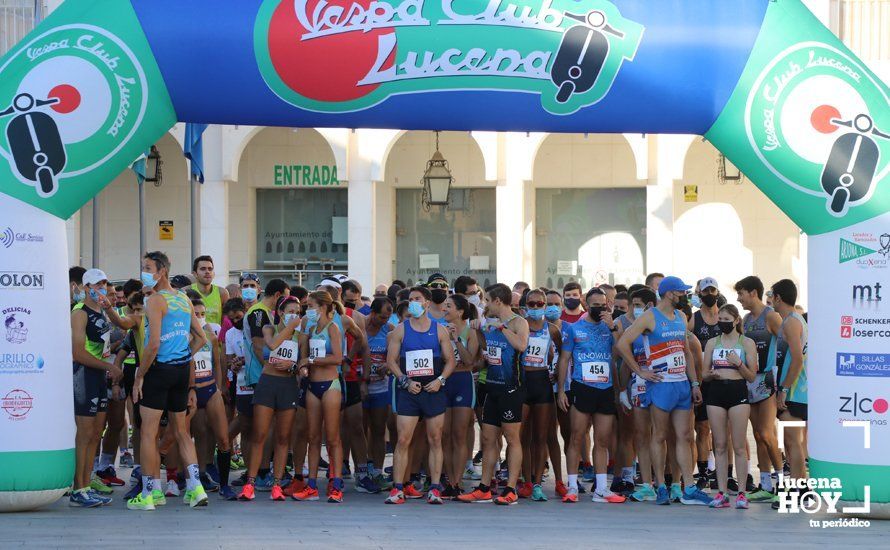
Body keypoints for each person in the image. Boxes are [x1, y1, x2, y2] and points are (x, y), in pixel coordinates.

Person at [617, 276, 711, 506]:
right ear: (670, 294)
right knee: (659, 435)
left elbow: (686, 352)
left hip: (681, 384)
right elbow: (622, 344)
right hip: (660, 384)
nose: (685, 296)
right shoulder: (650, 316)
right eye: (682, 292)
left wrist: (695, 383)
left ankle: (687, 487)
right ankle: (660, 486)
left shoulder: (681, 316)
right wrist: (640, 371)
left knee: (685, 436)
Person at [128, 252, 209, 511]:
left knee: (149, 434)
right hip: (180, 372)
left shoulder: (155, 301)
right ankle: (195, 488)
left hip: (159, 370)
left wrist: (139, 376)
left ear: (161, 271)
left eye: (147, 268)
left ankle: (149, 494)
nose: (144, 272)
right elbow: (201, 338)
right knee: (181, 431)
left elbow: (152, 345)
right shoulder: (183, 299)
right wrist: (183, 357)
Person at [384, 286, 455, 505]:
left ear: (426, 302)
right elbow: (391, 361)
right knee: (403, 439)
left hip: (433, 388)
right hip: (410, 390)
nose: (413, 302)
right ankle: (397, 489)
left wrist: (440, 380)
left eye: (417, 299)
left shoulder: (440, 330)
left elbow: (451, 361)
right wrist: (405, 380)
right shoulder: (400, 330)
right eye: (410, 299)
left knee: (435, 438)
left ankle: (434, 488)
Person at [459, 284, 528, 506]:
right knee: (488, 439)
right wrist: (478, 330)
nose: (485, 305)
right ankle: (484, 488)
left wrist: (502, 329)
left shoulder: (519, 322)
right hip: (490, 386)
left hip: (511, 388)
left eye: (487, 300)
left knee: (511, 438)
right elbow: (485, 352)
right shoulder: (488, 325)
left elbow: (521, 345)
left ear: (499, 301)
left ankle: (510, 489)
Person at [556, 288, 625, 504]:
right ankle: (573, 486)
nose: (599, 309)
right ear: (586, 303)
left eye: (603, 305)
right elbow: (564, 359)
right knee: (577, 437)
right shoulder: (574, 329)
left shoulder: (611, 327)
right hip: (582, 387)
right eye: (595, 305)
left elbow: (622, 351)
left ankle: (602, 488)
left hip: (605, 389)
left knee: (602, 439)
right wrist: (560, 390)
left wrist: (612, 326)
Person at [238, 294, 302, 502]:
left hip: (288, 385)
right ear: (281, 312)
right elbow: (273, 344)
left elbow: (303, 363)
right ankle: (250, 483)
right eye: (291, 311)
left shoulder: (301, 336)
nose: (295, 315)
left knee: (283, 438)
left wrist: (293, 366)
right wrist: (290, 326)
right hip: (268, 382)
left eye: (298, 312)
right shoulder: (268, 328)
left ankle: (277, 484)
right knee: (260, 434)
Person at [70, 268, 122, 507]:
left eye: (104, 284)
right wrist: (108, 367)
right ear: (86, 287)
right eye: (96, 285)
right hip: (84, 374)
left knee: (96, 432)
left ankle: (87, 485)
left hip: (100, 374)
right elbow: (78, 352)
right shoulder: (80, 312)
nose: (101, 289)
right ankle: (77, 488)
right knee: (85, 433)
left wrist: (108, 367)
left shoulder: (101, 310)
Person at [701, 305, 757, 509]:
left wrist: (738, 364)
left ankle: (742, 492)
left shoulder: (746, 343)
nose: (722, 322)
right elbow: (703, 373)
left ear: (735, 321)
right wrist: (711, 375)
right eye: (720, 318)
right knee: (720, 445)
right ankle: (722, 492)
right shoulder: (712, 343)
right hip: (716, 392)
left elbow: (751, 376)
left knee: (739, 445)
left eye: (726, 318)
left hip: (737, 391)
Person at [734, 275, 785, 502]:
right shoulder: (745, 319)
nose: (739, 298)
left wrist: (781, 384)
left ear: (753, 292)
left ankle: (783, 484)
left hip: (767, 380)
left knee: (767, 433)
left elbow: (785, 349)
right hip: (750, 380)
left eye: (741, 293)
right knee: (757, 435)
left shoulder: (771, 316)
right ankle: (765, 484)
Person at [294, 291, 346, 503]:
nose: (308, 311)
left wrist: (312, 361)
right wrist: (304, 366)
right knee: (313, 437)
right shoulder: (311, 328)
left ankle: (336, 483)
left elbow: (338, 358)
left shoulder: (333, 327)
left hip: (330, 384)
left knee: (332, 437)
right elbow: (303, 357)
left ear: (323, 307)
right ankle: (312, 484)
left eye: (311, 306)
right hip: (313, 386)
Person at [188, 299, 235, 499]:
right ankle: (198, 477)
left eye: (202, 314)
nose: (199, 318)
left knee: (223, 438)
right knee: (200, 435)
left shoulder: (211, 337)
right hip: (193, 391)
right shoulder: (183, 337)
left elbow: (217, 363)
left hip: (210, 389)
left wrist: (219, 386)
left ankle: (225, 485)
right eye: (195, 314)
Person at [520, 289, 562, 502]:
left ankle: (537, 482)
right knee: (522, 437)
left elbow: (563, 355)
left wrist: (557, 375)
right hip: (524, 382)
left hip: (543, 383)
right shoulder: (520, 325)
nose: (535, 307)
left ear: (545, 305)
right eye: (531, 303)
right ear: (526, 305)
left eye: (539, 304)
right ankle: (526, 480)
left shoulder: (552, 330)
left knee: (541, 437)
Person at [770, 279, 808, 510]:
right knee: (792, 442)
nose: (769, 299)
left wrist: (784, 388)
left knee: (793, 443)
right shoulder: (791, 320)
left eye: (770, 295)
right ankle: (801, 490)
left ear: (778, 298)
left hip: (796, 390)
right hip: (794, 389)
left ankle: (799, 492)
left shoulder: (793, 322)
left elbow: (797, 359)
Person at [619, 288, 659, 502]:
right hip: (639, 389)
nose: (634, 309)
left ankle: (668, 481)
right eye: (632, 304)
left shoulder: (661, 328)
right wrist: (622, 390)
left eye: (637, 304)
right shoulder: (633, 333)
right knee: (641, 437)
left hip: (662, 386)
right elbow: (627, 362)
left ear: (650, 306)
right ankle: (646, 484)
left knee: (661, 436)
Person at [689, 277, 728, 490]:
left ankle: (724, 472)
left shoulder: (726, 316)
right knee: (702, 428)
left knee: (724, 430)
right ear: (700, 294)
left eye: (713, 290)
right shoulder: (694, 319)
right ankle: (703, 472)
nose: (709, 294)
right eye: (706, 291)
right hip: (702, 380)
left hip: (724, 380)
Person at [441, 294, 481, 499]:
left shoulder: (470, 331)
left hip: (463, 382)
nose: (444, 309)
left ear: (460, 311)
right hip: (444, 382)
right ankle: (449, 481)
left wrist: (456, 339)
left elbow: (469, 361)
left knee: (459, 434)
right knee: (445, 435)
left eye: (448, 306)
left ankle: (457, 481)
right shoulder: (439, 329)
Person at [363, 298, 395, 488]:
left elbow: (396, 356)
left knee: (378, 429)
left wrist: (387, 365)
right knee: (361, 428)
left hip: (381, 386)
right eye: (382, 317)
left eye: (388, 317)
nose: (384, 320)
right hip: (361, 384)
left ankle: (377, 470)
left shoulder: (389, 329)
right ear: (372, 313)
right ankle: (363, 467)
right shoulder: (361, 326)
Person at [191, 255, 230, 326]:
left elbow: (226, 323)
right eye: (203, 269)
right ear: (195, 274)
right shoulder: (186, 291)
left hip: (216, 336)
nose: (207, 272)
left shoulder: (222, 293)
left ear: (214, 273)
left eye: (210, 269)